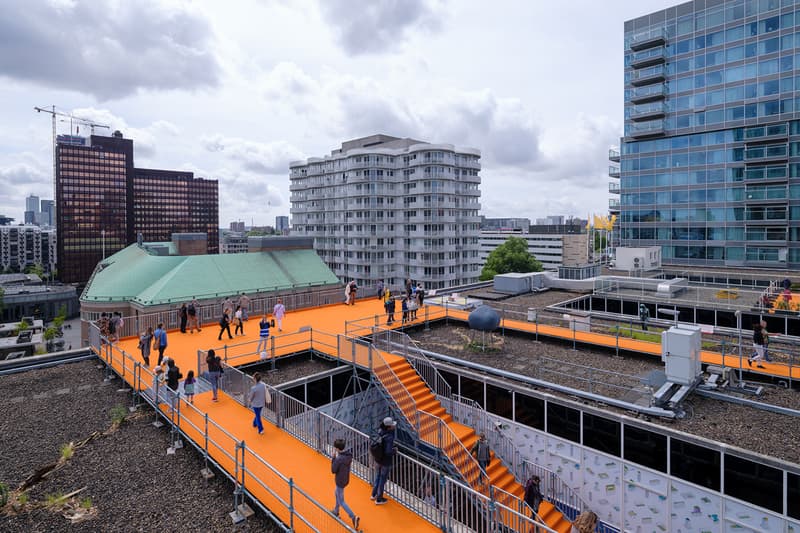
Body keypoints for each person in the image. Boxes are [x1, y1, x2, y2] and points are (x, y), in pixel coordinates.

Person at [331, 438, 359, 529]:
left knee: (341, 501)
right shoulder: (348, 456)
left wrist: (333, 458)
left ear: (337, 449)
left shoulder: (339, 459)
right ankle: (336, 510)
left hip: (340, 481)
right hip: (345, 479)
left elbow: (333, 470)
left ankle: (353, 517)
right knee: (336, 493)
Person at [371, 416, 396, 505]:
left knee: (378, 476)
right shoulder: (389, 437)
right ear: (389, 427)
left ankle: (374, 494)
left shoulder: (380, 431)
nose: (394, 426)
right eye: (392, 425)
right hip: (385, 461)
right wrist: (394, 451)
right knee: (382, 479)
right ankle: (379, 498)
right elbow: (388, 451)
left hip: (378, 459)